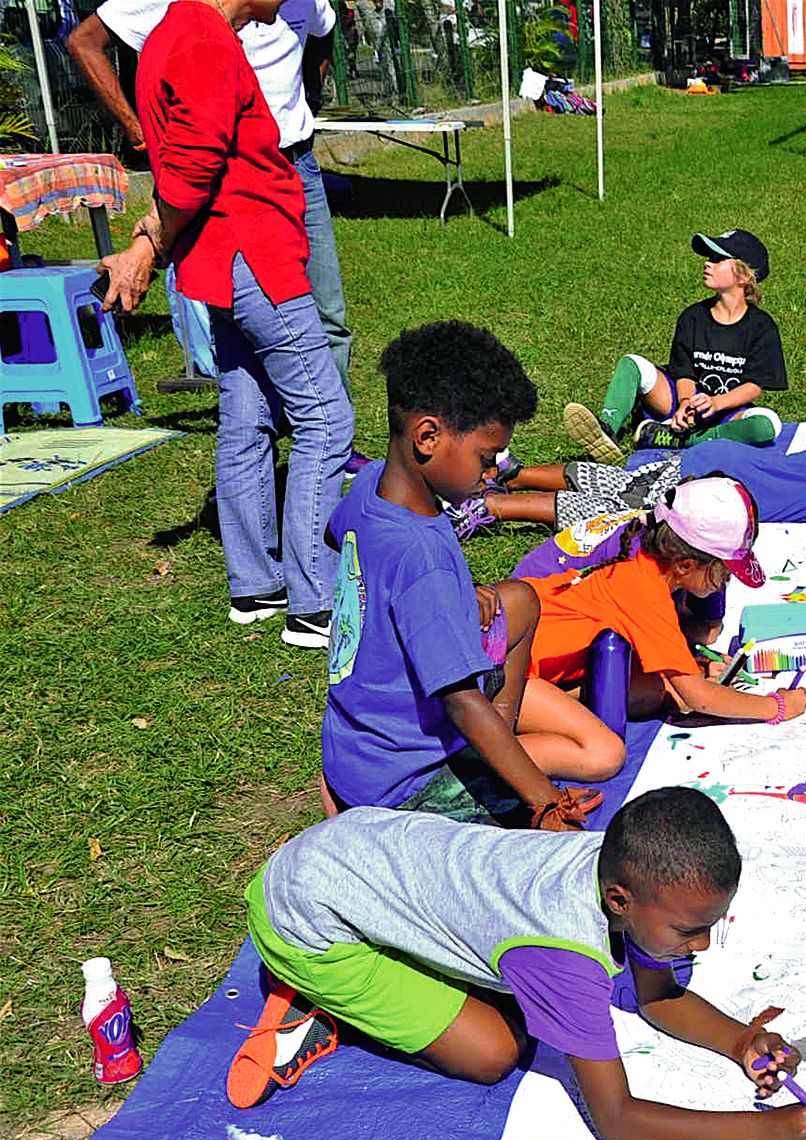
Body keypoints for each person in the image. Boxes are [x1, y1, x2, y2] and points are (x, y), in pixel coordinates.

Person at [228, 789, 806, 1140]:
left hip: (358, 850)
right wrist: (761, 1134)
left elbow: (656, 998)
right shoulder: (564, 953)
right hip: (307, 920)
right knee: (494, 1051)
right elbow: (616, 1120)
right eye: (688, 931)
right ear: (621, 900)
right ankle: (320, 1001)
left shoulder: (625, 872)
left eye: (711, 924)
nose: (702, 945)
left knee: (510, 1005)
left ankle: (407, 962)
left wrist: (737, 1039)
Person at [97, 0, 354, 649]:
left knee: (248, 411)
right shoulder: (203, 37)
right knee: (327, 417)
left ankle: (256, 584)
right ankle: (315, 604)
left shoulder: (176, 30)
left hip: (221, 259)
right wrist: (145, 246)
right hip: (252, 252)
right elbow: (190, 172)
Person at [323, 322, 615, 827]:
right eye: (486, 457)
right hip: (404, 781)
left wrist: (449, 597)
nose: (492, 472)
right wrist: (544, 800)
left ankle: (494, 758)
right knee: (543, 853)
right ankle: (492, 772)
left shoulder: (369, 485)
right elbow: (461, 703)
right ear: (428, 437)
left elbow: (337, 537)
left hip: (353, 739)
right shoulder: (423, 554)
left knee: (520, 599)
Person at [70, 0, 354, 395]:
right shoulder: (193, 24)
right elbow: (85, 41)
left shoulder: (301, 5)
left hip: (293, 162)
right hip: (227, 178)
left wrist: (309, 96)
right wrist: (141, 135)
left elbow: (324, 32)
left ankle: (306, 428)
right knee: (245, 330)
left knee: (323, 317)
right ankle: (313, 427)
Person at [523, 478, 806, 728]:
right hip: (510, 676)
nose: (724, 583)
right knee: (602, 753)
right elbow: (699, 698)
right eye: (723, 572)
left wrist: (690, 668)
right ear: (685, 565)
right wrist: (777, 707)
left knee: (651, 689)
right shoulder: (645, 592)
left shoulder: (645, 572)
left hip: (524, 664)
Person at [470, 411, 806, 540]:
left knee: (616, 484)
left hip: (723, 462)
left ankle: (516, 474)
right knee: (613, 511)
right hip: (714, 486)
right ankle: (493, 505)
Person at [563, 230, 786, 464]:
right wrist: (685, 404)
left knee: (767, 423)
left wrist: (716, 403)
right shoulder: (693, 317)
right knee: (632, 363)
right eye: (708, 257)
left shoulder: (762, 326)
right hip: (680, 401)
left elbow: (753, 386)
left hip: (725, 408)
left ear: (743, 276)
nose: (707, 263)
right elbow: (684, 371)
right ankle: (606, 429)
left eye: (717, 259)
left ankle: (677, 439)